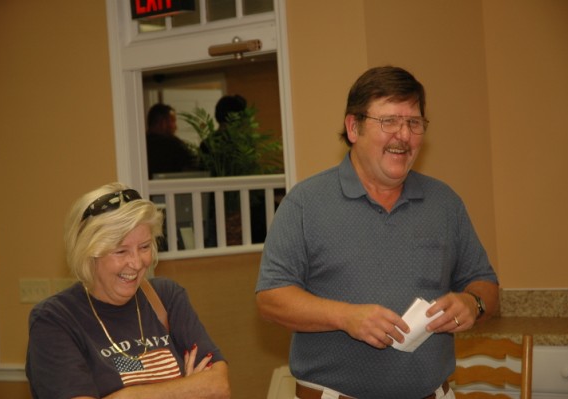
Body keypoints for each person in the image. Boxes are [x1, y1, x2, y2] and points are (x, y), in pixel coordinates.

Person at [255, 66, 499, 399]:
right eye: (389, 121)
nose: (403, 135)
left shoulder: (444, 203)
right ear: (353, 127)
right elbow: (270, 299)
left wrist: (474, 303)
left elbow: (486, 284)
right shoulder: (305, 203)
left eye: (414, 123)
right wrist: (345, 317)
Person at [26, 182, 230, 399]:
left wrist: (129, 396)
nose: (136, 262)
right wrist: (187, 389)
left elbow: (218, 386)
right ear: (88, 253)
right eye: (121, 251)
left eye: (144, 247)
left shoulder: (166, 297)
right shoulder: (54, 320)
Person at [146, 103, 199, 178]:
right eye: (173, 121)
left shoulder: (141, 145)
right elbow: (192, 166)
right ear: (163, 123)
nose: (176, 127)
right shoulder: (174, 144)